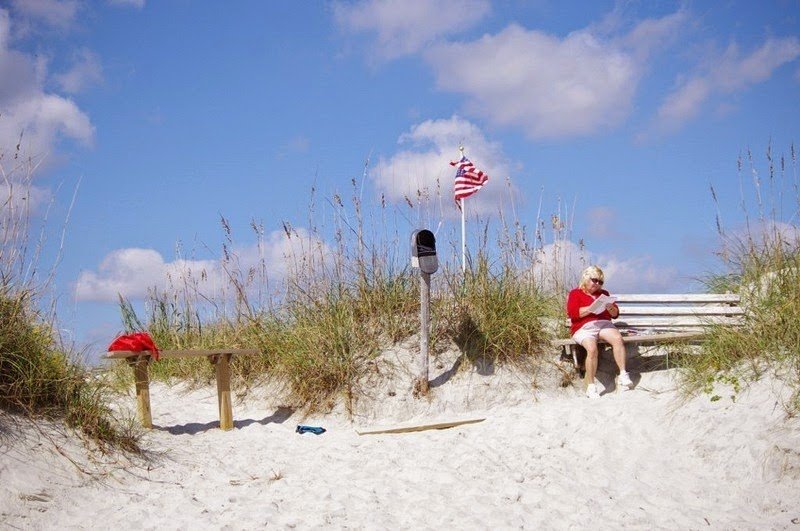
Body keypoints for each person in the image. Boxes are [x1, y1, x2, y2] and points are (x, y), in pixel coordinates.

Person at [566, 265, 633, 398]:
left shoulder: (604, 294)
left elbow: (615, 314)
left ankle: (623, 374)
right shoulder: (575, 293)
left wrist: (610, 308)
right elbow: (573, 314)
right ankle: (591, 386)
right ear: (586, 278)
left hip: (603, 324)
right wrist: (591, 308)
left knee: (617, 339)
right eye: (594, 280)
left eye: (600, 282)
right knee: (592, 349)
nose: (597, 284)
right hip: (583, 327)